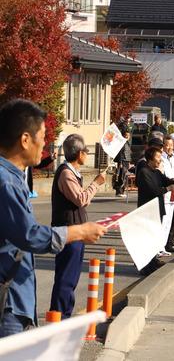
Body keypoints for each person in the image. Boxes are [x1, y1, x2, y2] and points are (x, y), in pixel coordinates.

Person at [0, 100, 106, 336]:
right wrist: (80, 231)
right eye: (42, 135)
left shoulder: (13, 177)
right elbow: (30, 235)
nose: (45, 144)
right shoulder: (6, 181)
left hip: (15, 297)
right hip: (9, 304)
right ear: (25, 140)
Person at [48, 134, 106, 319]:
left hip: (76, 232)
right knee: (65, 278)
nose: (87, 155)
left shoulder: (72, 172)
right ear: (80, 153)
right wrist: (96, 183)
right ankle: (59, 317)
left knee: (71, 278)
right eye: (86, 152)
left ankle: (64, 315)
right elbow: (81, 199)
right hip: (68, 232)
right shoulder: (66, 173)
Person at [136, 146, 174, 275]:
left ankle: (153, 261)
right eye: (158, 157)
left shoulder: (156, 172)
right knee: (147, 238)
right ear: (150, 158)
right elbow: (154, 191)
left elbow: (167, 181)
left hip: (158, 208)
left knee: (155, 237)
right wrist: (168, 188)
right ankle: (145, 266)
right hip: (147, 210)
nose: (160, 160)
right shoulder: (144, 172)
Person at [114, 128, 132, 197]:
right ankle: (119, 191)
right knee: (121, 177)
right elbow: (121, 153)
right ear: (123, 136)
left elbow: (129, 153)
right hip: (123, 161)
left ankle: (122, 191)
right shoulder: (121, 143)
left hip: (127, 161)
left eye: (128, 136)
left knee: (124, 177)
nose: (127, 137)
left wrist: (129, 162)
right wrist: (120, 162)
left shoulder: (128, 143)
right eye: (126, 136)